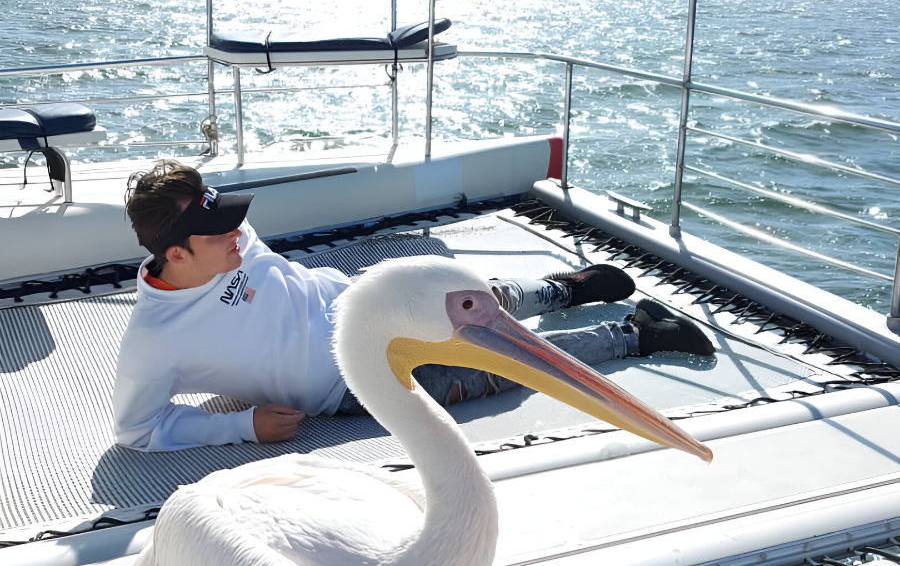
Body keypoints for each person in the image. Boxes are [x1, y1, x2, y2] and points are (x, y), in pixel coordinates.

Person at [114, 160, 713, 452]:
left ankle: (563, 288)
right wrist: (241, 425)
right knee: (486, 370)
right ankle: (635, 335)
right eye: (219, 230)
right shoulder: (155, 339)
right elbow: (136, 431)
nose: (238, 231)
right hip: (347, 381)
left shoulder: (225, 243)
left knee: (472, 304)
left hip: (357, 302)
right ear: (176, 254)